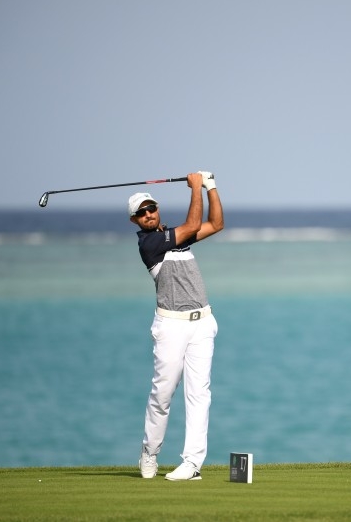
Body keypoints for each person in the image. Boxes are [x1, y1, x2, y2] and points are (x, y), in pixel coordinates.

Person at [128, 171, 224, 481]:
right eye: (141, 213)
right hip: (171, 325)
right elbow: (194, 223)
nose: (148, 215)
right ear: (135, 221)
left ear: (156, 209)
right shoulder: (150, 243)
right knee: (163, 393)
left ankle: (192, 464)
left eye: (151, 208)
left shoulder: (175, 234)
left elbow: (216, 224)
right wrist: (194, 186)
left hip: (202, 322)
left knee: (199, 394)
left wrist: (210, 186)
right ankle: (150, 453)